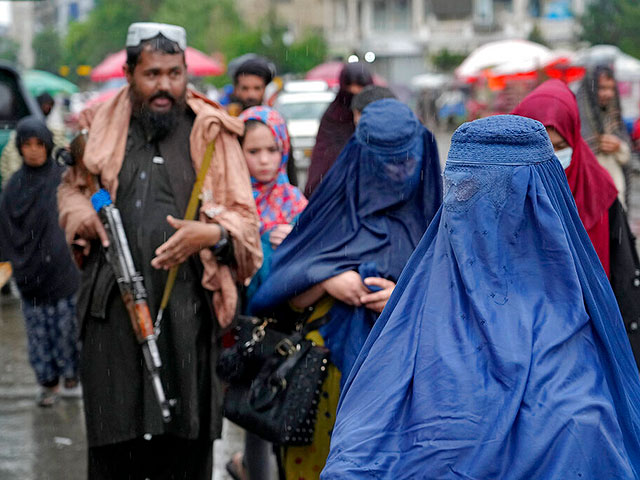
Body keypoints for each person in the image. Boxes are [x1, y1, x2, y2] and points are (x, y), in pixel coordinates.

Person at [321, 115, 640, 479]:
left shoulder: (574, 335)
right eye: (463, 192)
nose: (474, 210)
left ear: (535, 203)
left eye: (497, 196)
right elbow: (358, 447)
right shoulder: (416, 312)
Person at [56, 22, 262, 479]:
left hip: (188, 318)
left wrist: (211, 236)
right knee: (114, 452)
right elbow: (70, 192)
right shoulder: (99, 128)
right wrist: (83, 216)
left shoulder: (211, 133)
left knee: (184, 451)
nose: (165, 85)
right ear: (130, 73)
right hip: (111, 316)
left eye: (174, 72)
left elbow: (247, 227)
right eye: (152, 74)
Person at [250, 98, 442, 479]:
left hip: (410, 388)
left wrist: (404, 299)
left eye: (404, 160)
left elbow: (455, 304)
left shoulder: (437, 219)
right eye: (383, 161)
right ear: (361, 155)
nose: (395, 172)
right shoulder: (330, 209)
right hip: (324, 385)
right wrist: (326, 277)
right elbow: (280, 297)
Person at [513, 79, 640, 368]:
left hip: (590, 345)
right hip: (525, 348)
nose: (553, 158)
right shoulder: (505, 196)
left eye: (561, 146)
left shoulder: (599, 191)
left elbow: (620, 282)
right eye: (542, 146)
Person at [226, 105, 308, 480]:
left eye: (272, 150)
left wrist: (294, 240)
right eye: (253, 151)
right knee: (254, 412)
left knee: (287, 405)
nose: (263, 160)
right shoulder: (230, 203)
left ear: (284, 150)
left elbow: (316, 259)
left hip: (289, 321)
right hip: (244, 322)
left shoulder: (295, 202)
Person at [0, 117, 80, 407]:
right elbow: (5, 229)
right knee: (38, 334)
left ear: (48, 145)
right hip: (29, 274)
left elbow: (83, 210)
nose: (33, 150)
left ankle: (72, 377)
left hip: (63, 271)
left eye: (38, 144)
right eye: (27, 145)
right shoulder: (14, 187)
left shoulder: (64, 179)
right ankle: (48, 384)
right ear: (20, 149)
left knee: (67, 329)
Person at [304, 63, 374, 197]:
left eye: (360, 86)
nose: (354, 91)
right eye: (350, 86)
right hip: (336, 192)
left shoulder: (378, 116)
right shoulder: (333, 117)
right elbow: (322, 160)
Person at [576, 65, 632, 207]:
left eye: (611, 88)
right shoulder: (578, 119)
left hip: (616, 198)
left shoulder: (612, 118)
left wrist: (619, 147)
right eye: (602, 88)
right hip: (589, 198)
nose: (608, 94)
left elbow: (627, 156)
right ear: (591, 89)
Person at [1, 92, 67, 189]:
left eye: (40, 144)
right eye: (27, 145)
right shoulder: (14, 185)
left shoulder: (62, 182)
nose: (34, 149)